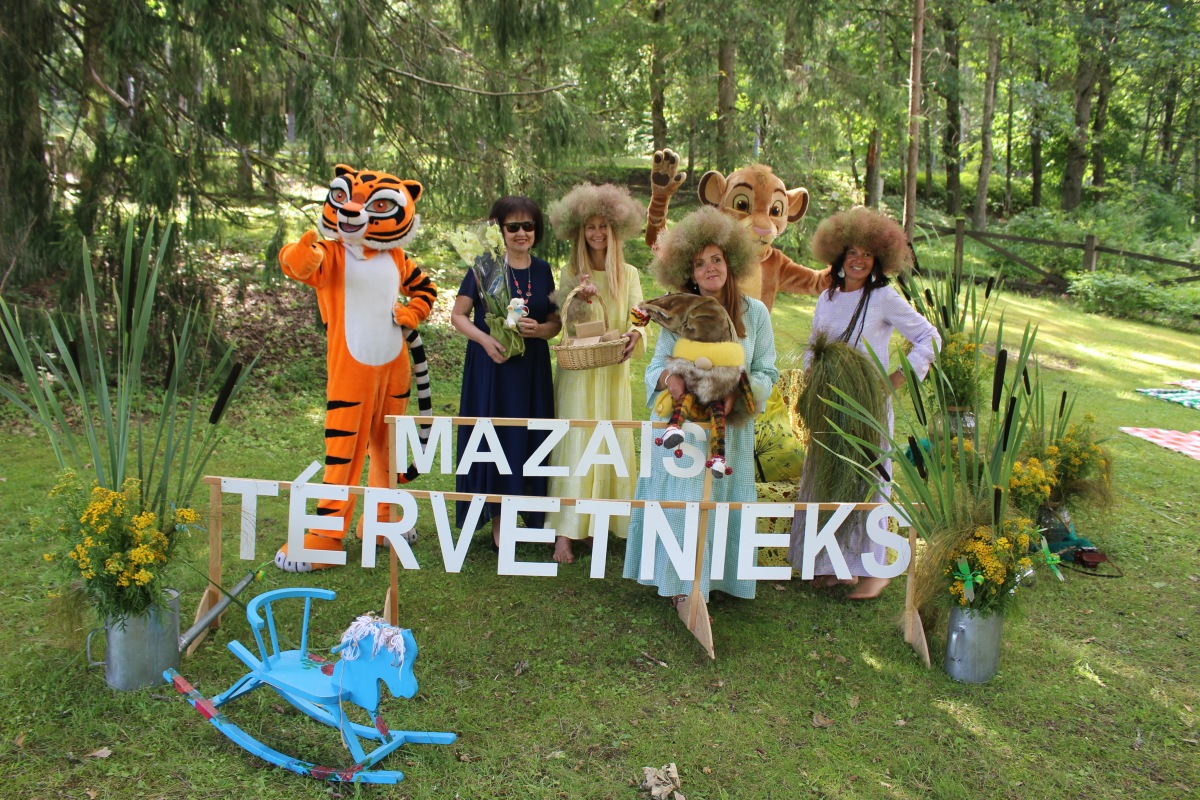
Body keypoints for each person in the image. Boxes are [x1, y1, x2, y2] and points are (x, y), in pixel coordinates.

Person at [623, 207, 778, 604]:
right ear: (689, 272)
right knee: (685, 503)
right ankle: (681, 586)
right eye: (699, 263)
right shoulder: (680, 313)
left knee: (721, 503)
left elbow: (768, 371)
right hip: (686, 432)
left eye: (716, 259)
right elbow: (654, 368)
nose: (710, 268)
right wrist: (669, 379)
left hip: (730, 430)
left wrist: (739, 391)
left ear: (731, 262)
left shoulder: (755, 314)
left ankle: (717, 579)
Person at [787, 207, 940, 599]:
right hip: (829, 403)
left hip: (866, 406)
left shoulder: (883, 297)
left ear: (878, 260)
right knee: (827, 478)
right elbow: (815, 346)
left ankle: (868, 569)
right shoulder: (827, 297)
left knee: (865, 481)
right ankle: (829, 566)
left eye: (867, 254)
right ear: (839, 255)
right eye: (852, 252)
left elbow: (930, 338)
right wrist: (809, 386)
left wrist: (895, 380)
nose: (858, 260)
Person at [543, 184, 647, 564]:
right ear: (580, 230)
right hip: (578, 375)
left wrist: (636, 333)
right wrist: (579, 301)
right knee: (575, 444)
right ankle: (564, 532)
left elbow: (639, 313)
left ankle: (596, 523)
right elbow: (565, 323)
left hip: (612, 373)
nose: (597, 233)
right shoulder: (571, 272)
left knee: (607, 446)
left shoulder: (629, 274)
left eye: (604, 226)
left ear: (615, 230)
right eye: (590, 226)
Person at [451, 196, 562, 547]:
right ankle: (500, 518)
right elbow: (458, 316)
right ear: (500, 230)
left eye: (527, 226)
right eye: (512, 226)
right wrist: (485, 340)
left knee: (529, 436)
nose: (521, 233)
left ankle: (529, 513)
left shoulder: (543, 270)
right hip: (493, 367)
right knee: (496, 437)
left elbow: (555, 322)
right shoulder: (485, 265)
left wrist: (539, 330)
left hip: (531, 370)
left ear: (536, 230)